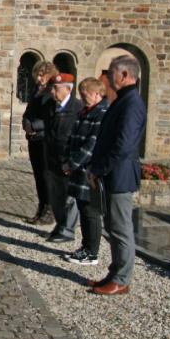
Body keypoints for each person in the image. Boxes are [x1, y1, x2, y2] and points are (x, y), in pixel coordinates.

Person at [87, 55, 147, 295]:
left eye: (112, 71)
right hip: (111, 174)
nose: (109, 75)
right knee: (112, 226)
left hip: (119, 175)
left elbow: (123, 146)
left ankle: (122, 279)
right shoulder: (122, 100)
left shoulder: (132, 104)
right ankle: (114, 273)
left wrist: (99, 169)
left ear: (124, 75)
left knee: (121, 228)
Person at [62, 78, 109, 265]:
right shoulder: (84, 111)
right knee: (83, 207)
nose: (82, 97)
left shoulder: (102, 114)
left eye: (85, 94)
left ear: (97, 94)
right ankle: (85, 246)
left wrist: (72, 163)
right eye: (81, 94)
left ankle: (92, 252)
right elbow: (72, 137)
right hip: (78, 170)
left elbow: (92, 144)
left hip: (89, 170)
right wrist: (66, 161)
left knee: (90, 210)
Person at [43, 73, 83, 243]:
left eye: (56, 88)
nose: (53, 91)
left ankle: (68, 229)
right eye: (52, 88)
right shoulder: (50, 106)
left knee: (69, 196)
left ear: (68, 89)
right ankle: (61, 224)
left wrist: (72, 160)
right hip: (51, 157)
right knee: (55, 195)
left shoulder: (77, 108)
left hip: (67, 159)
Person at [22, 61, 58, 224]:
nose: (39, 78)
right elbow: (28, 111)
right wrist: (26, 124)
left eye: (42, 74)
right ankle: (41, 207)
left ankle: (49, 210)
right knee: (38, 175)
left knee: (46, 175)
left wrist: (35, 125)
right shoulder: (36, 91)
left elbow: (53, 117)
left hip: (45, 139)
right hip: (34, 139)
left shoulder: (53, 91)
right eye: (37, 74)